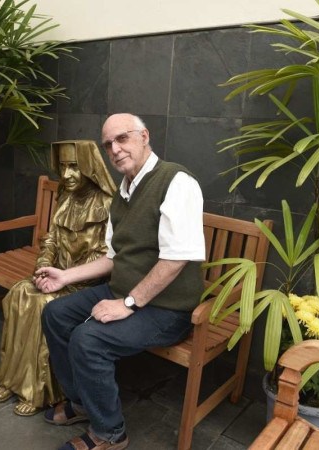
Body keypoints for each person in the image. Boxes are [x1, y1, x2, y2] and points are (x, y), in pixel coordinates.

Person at [35, 113, 205, 450]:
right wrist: (65, 275)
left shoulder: (177, 182)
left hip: (168, 309)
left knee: (89, 339)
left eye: (122, 138)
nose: (115, 149)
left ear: (144, 136)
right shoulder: (123, 193)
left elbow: (175, 259)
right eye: (108, 144)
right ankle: (83, 402)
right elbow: (114, 258)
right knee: (55, 314)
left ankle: (110, 434)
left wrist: (128, 304)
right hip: (124, 291)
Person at [0, 140, 116, 416]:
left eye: (74, 167)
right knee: (19, 294)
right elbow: (50, 240)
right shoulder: (66, 198)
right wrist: (43, 266)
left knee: (43, 305)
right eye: (63, 167)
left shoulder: (108, 205)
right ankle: (11, 380)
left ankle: (38, 391)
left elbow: (106, 257)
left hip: (86, 284)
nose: (67, 174)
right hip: (56, 274)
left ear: (89, 167)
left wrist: (66, 278)